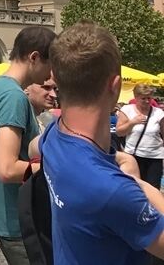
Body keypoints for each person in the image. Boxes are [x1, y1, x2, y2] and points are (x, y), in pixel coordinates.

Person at [43, 21, 164, 264]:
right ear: (116, 87)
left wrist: (119, 161)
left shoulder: (52, 137)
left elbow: (33, 147)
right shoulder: (113, 190)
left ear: (55, 78)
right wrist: (134, 181)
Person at [0, 25, 55, 265]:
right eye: (50, 63)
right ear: (34, 57)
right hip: (20, 222)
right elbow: (6, 168)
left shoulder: (1, 88)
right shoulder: (13, 96)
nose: (52, 72)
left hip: (14, 220)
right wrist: (57, 169)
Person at [116, 83, 164, 188]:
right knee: (133, 186)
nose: (147, 101)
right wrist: (132, 122)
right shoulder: (127, 110)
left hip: (155, 156)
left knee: (153, 188)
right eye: (143, 98)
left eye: (149, 98)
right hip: (133, 155)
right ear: (136, 97)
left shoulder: (158, 113)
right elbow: (119, 132)